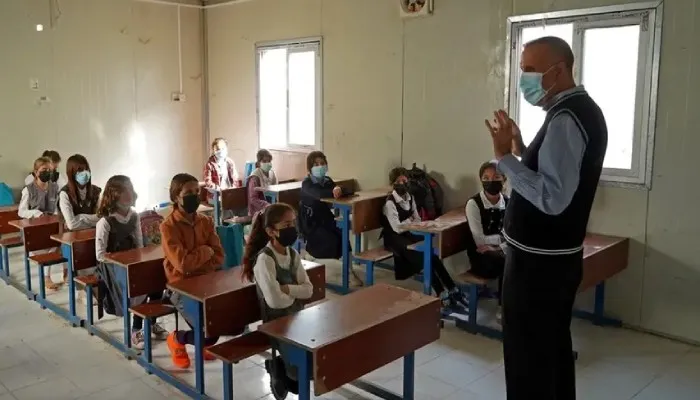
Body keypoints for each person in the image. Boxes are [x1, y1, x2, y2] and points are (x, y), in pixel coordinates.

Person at [484, 36, 608, 399]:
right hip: (550, 262)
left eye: (529, 70)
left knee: (529, 359)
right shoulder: (574, 111)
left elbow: (552, 198)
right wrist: (522, 150)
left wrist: (503, 158)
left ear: (558, 70)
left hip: (538, 266)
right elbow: (556, 175)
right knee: (549, 352)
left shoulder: (568, 118)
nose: (524, 78)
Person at [242, 203, 313, 398]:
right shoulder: (265, 260)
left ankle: (281, 367)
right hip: (277, 325)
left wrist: (286, 289)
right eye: (286, 225)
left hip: (297, 318)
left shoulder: (293, 254)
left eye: (293, 224)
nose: (292, 229)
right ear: (271, 231)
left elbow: (309, 290)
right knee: (301, 375)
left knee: (318, 361)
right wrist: (294, 293)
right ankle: (278, 367)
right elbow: (275, 302)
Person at [160, 173, 227, 369]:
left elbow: (219, 256)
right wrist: (205, 252)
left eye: (197, 192)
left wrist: (198, 258)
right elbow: (182, 265)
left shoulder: (205, 221)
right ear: (175, 197)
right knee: (209, 333)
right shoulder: (168, 227)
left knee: (233, 323)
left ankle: (201, 342)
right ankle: (177, 339)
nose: (195, 196)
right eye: (188, 192)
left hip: (206, 282)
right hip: (181, 287)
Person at [381, 167, 468, 311]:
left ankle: (452, 288)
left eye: (404, 180)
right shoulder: (390, 203)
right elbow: (396, 227)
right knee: (423, 257)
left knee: (432, 256)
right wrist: (410, 222)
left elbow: (418, 218)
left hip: (407, 234)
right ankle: (441, 293)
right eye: (398, 181)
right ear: (393, 184)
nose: (402, 183)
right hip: (394, 239)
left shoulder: (410, 197)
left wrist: (409, 222)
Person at [95, 175, 168, 350]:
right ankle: (136, 329)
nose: (131, 193)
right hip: (111, 268)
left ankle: (151, 322)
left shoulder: (134, 217)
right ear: (114, 195)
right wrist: (123, 262)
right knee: (139, 284)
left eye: (131, 188)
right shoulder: (105, 222)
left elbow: (140, 246)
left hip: (132, 265)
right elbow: (100, 254)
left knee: (157, 280)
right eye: (126, 190)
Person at [464, 160, 508, 321]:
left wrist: (497, 247)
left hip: (499, 253)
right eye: (486, 178)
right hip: (480, 258)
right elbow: (479, 240)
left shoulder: (508, 202)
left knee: (520, 259)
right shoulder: (473, 204)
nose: (491, 181)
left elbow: (513, 236)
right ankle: (503, 308)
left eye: (496, 177)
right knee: (510, 262)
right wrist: (503, 242)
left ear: (504, 180)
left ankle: (516, 303)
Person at [56, 154, 102, 285]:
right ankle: (81, 289)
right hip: (72, 239)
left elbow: (101, 217)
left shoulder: (96, 191)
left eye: (86, 169)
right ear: (72, 173)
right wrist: (91, 220)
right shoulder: (65, 194)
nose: (84, 173)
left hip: (93, 235)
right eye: (80, 170)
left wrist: (81, 217)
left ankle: (95, 286)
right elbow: (71, 224)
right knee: (83, 260)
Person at [298, 151, 351, 259]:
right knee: (330, 239)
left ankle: (348, 268)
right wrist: (334, 191)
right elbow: (319, 194)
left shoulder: (327, 180)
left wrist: (339, 189)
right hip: (311, 222)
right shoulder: (307, 183)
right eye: (316, 164)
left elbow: (346, 190)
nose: (320, 166)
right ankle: (313, 255)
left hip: (326, 219)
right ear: (310, 168)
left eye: (322, 163)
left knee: (343, 236)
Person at [19, 157, 61, 290]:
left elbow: (56, 207)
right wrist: (35, 213)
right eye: (44, 170)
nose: (47, 172)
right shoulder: (28, 190)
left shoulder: (54, 187)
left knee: (62, 242)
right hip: (33, 229)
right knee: (47, 246)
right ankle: (46, 278)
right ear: (36, 172)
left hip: (50, 227)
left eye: (50, 170)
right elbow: (21, 211)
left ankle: (67, 274)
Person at [246, 149, 278, 217]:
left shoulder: (272, 173)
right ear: (258, 163)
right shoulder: (255, 176)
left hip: (271, 207)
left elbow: (276, 191)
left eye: (269, 161)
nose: (267, 163)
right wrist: (267, 206)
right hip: (257, 211)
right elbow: (253, 199)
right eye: (264, 161)